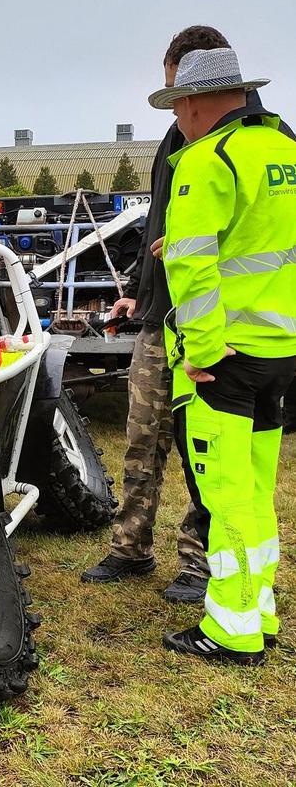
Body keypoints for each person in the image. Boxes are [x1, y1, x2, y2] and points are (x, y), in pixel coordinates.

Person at [149, 47, 296, 664]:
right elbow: (259, 245)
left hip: (222, 361)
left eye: (176, 106)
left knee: (226, 495)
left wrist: (202, 350)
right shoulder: (285, 152)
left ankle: (231, 631)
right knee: (258, 488)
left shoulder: (206, 161)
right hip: (281, 351)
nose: (177, 121)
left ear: (192, 103)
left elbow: (192, 260)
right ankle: (257, 609)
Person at [81, 27, 233, 601]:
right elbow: (158, 230)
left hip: (213, 325)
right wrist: (139, 297)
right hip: (158, 318)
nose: (173, 102)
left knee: (203, 447)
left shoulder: (248, 144)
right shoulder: (173, 139)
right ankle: (131, 547)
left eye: (177, 90)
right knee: (143, 438)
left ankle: (201, 560)